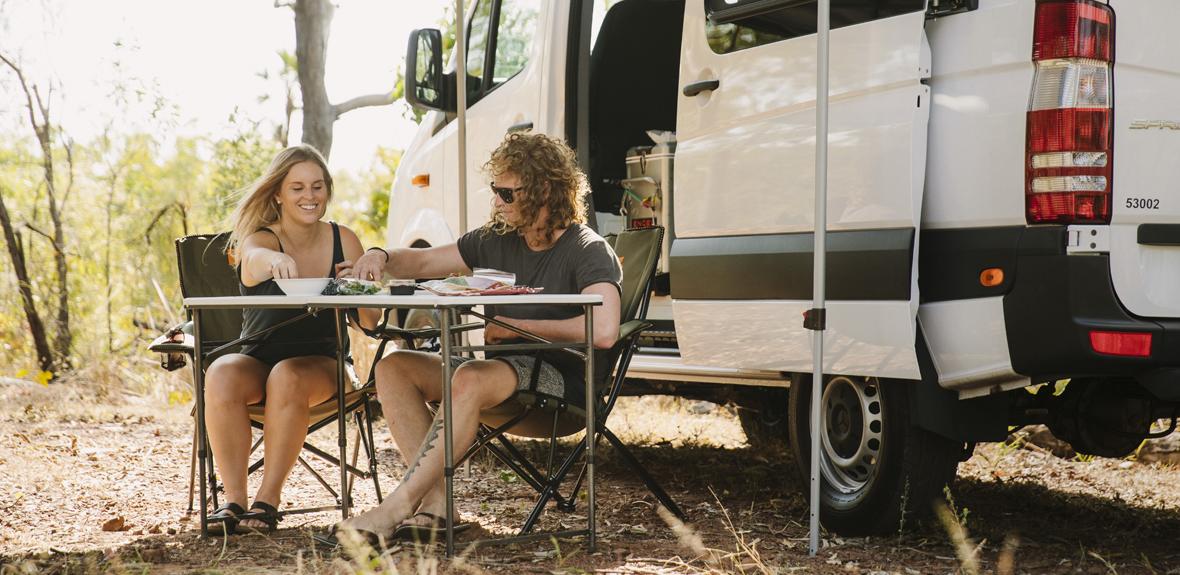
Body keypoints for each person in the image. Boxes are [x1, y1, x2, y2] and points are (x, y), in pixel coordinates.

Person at [335, 132, 622, 542]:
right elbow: (423, 260)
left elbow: (605, 329)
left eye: (506, 193)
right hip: (498, 379)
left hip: (563, 386)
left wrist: (518, 329)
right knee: (394, 367)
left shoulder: (586, 248)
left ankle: (397, 506)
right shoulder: (496, 239)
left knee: (468, 375)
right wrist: (379, 255)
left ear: (544, 190)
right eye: (495, 190)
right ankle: (437, 505)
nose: (497, 201)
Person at [204, 144, 378, 534]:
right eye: (297, 188)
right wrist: (275, 261)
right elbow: (252, 260)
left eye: (317, 187)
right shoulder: (260, 239)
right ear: (278, 193)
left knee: (288, 375)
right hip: (259, 358)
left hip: (323, 365)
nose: (309, 196)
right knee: (221, 372)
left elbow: (370, 322)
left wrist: (359, 287)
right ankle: (234, 501)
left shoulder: (344, 239)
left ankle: (267, 503)